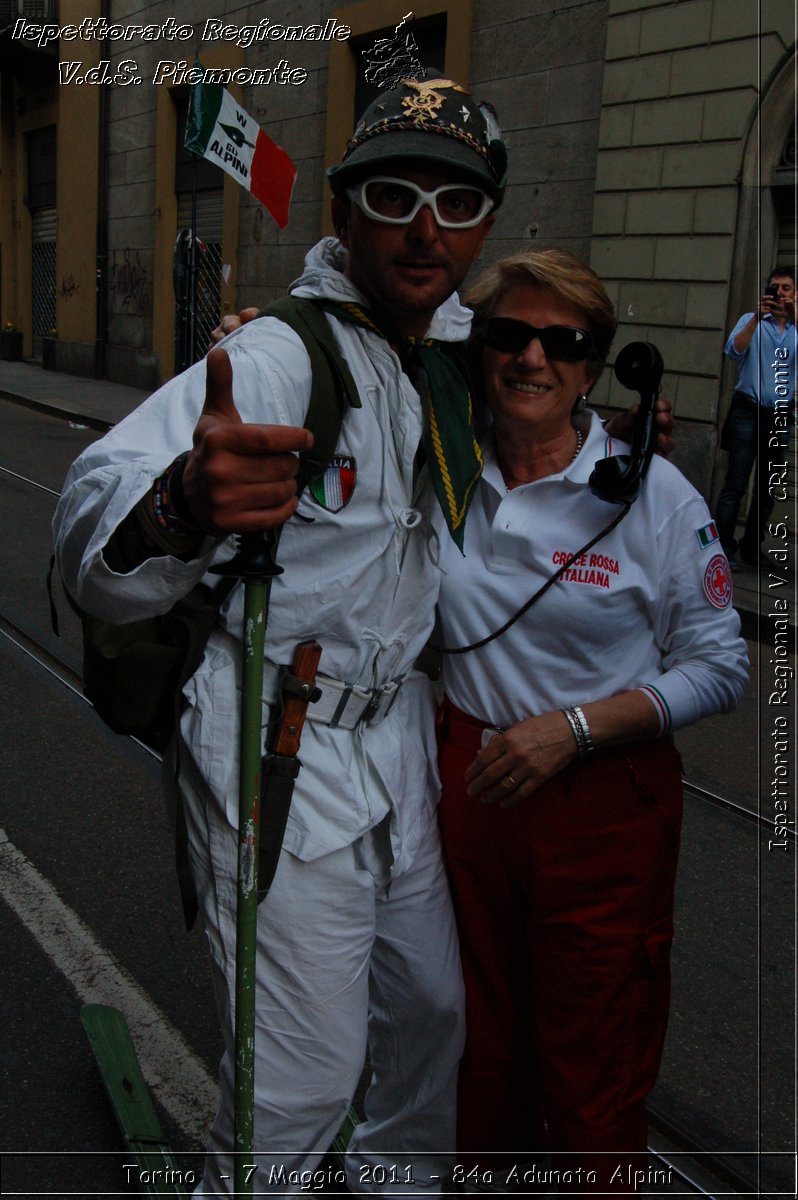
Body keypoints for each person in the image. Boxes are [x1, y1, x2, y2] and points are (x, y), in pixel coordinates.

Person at [54, 78, 508, 1196]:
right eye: (392, 195)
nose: (422, 229)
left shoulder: (445, 364)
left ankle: (385, 1185)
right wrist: (181, 506)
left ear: (485, 223)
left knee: (430, 1019)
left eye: (455, 204)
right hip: (277, 744)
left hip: (396, 739)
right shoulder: (277, 355)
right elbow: (87, 519)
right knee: (298, 1083)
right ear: (345, 210)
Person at [432, 249, 749, 1193]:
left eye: (563, 341)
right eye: (511, 334)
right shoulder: (442, 466)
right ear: (480, 348)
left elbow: (720, 665)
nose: (534, 358)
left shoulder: (652, 495)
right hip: (466, 788)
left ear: (596, 363)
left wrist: (574, 728)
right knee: (476, 1045)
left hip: (601, 803)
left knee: (590, 1063)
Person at [714, 267, 796, 569]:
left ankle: (751, 548)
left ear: (795, 294)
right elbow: (733, 351)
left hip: (779, 417)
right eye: (775, 287)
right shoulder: (751, 321)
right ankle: (723, 548)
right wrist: (756, 319)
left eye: (786, 288)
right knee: (735, 483)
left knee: (768, 489)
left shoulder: (796, 330)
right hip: (747, 411)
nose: (779, 293)